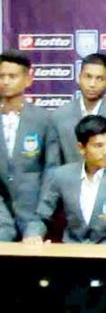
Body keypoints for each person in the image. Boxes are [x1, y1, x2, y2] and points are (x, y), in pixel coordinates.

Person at [24, 115, 106, 244]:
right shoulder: (62, 176)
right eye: (98, 146)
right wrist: (33, 235)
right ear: (81, 148)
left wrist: (102, 253)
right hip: (71, 253)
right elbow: (41, 216)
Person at [0, 50, 59, 233]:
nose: (6, 81)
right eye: (1, 76)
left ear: (27, 80)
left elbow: (52, 172)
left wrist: (40, 218)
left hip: (34, 218)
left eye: (12, 76)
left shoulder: (44, 119)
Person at [50, 53, 106, 170]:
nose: (92, 84)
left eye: (99, 78)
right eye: (88, 76)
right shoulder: (59, 116)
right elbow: (53, 167)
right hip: (71, 186)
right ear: (79, 77)